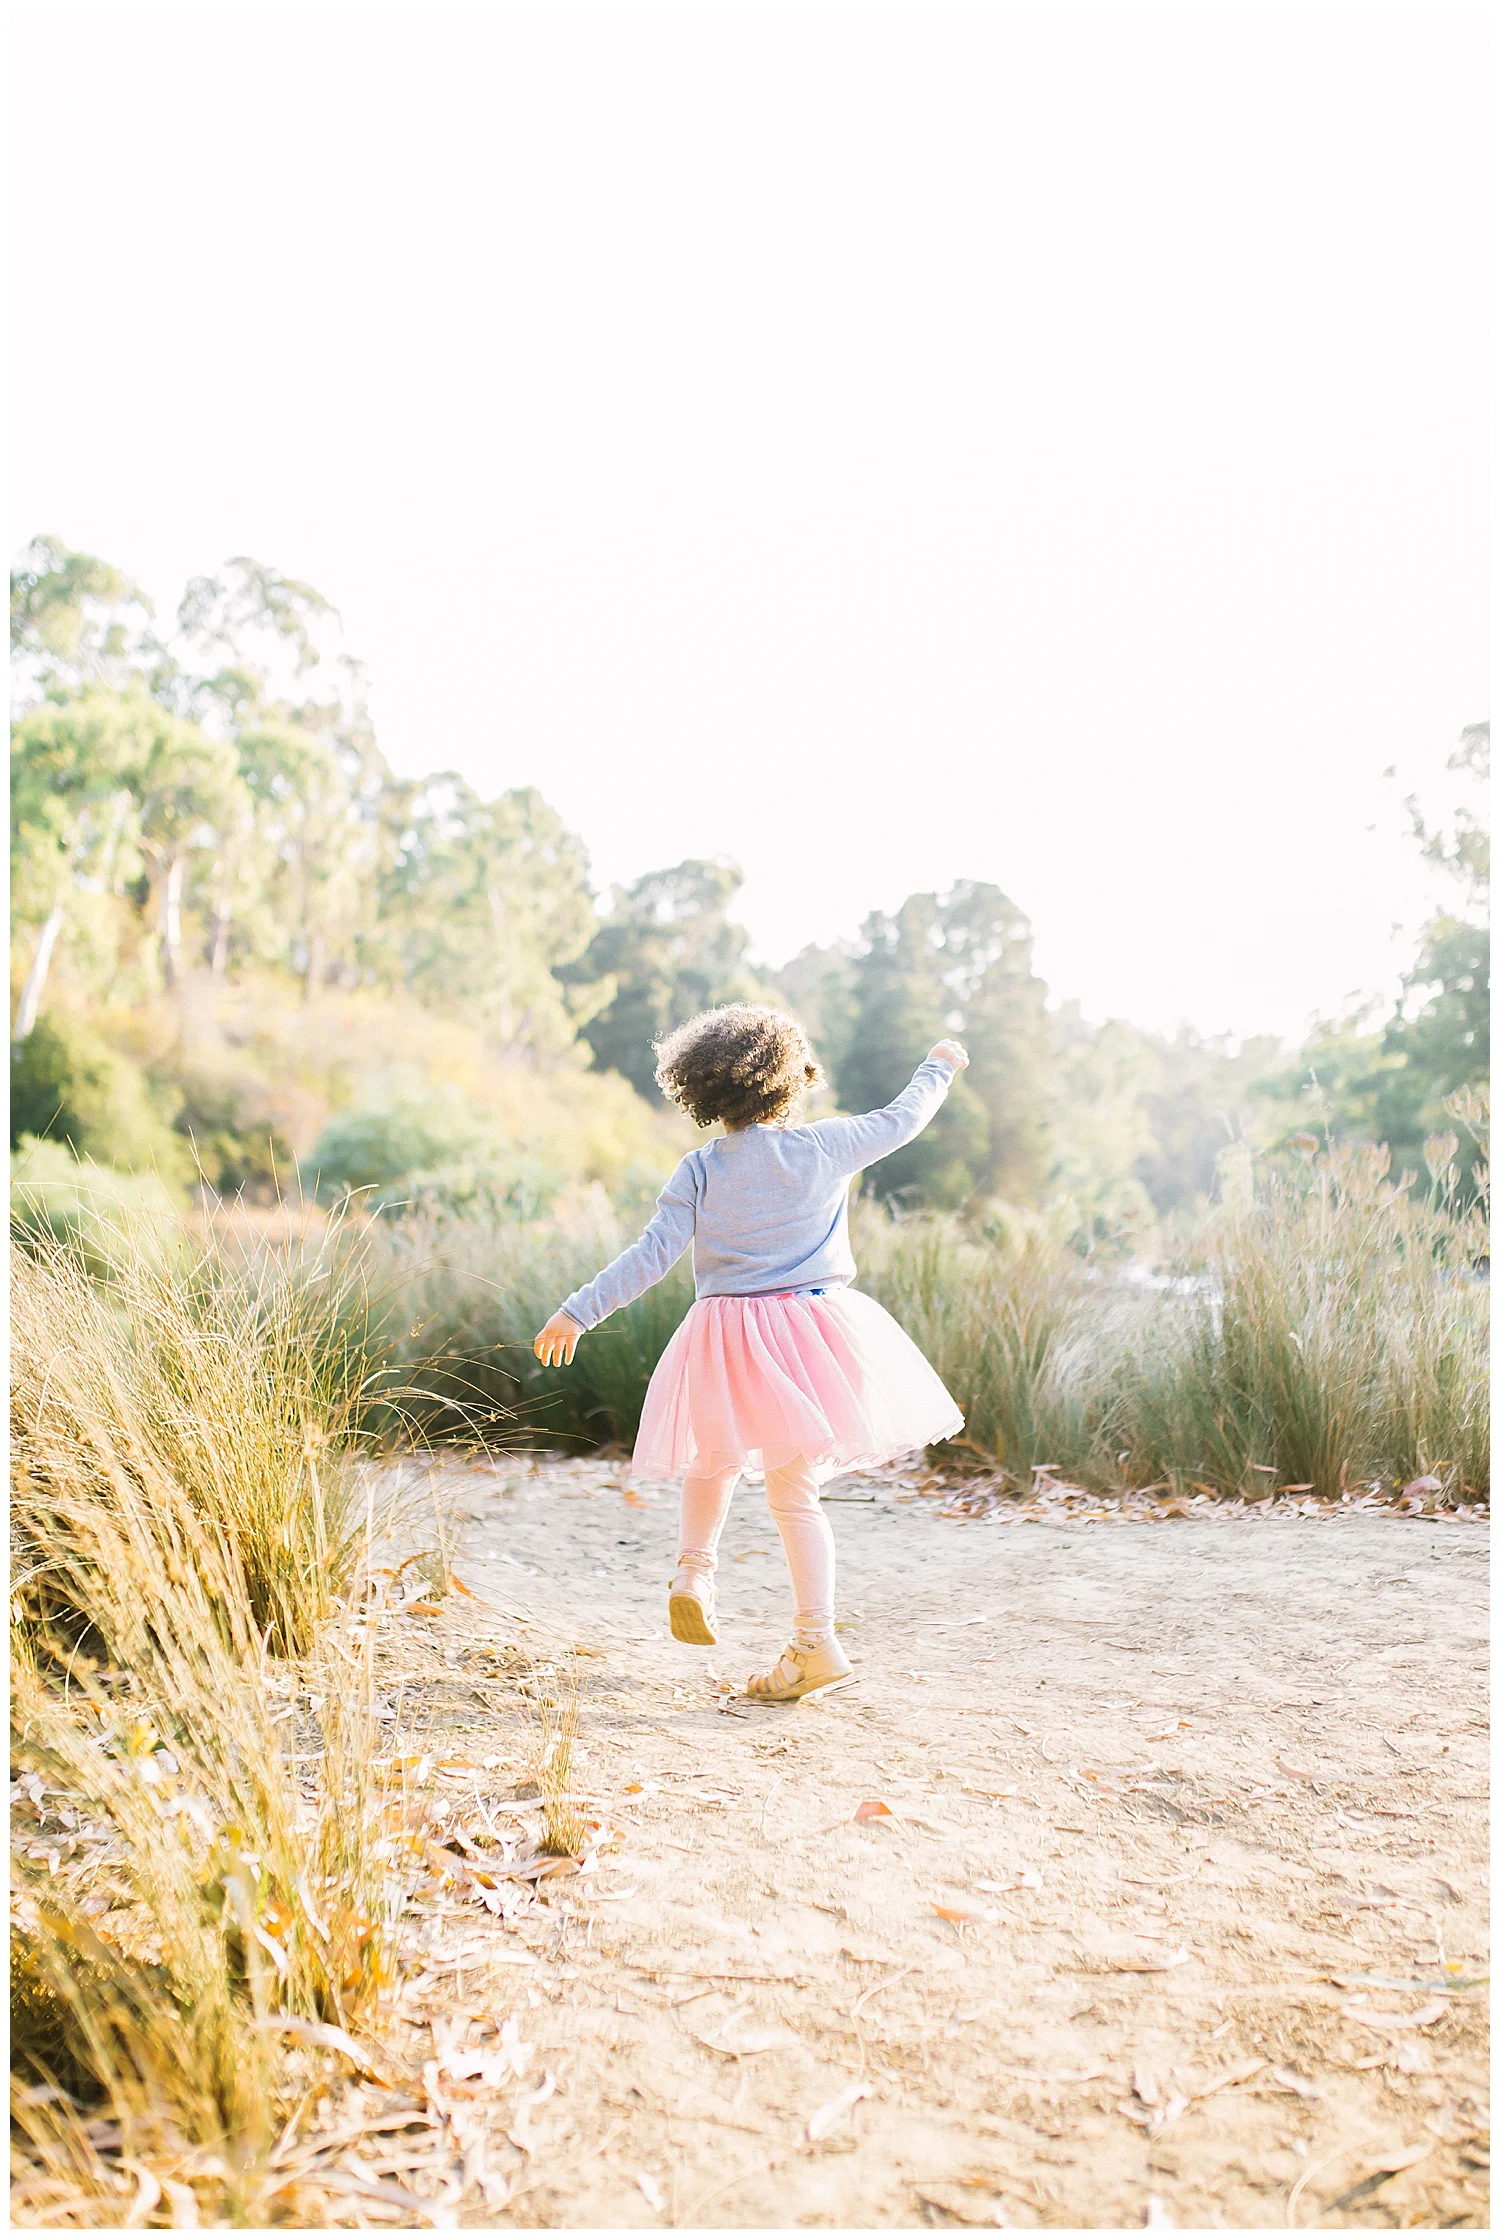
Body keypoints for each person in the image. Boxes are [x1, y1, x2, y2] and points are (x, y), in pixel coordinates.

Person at [533, 1004, 967, 1700]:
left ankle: (693, 1572)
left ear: (702, 1091)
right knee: (797, 1497)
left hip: (726, 1338)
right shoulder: (825, 1146)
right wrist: (938, 1066)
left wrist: (576, 1312)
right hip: (809, 1335)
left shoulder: (700, 1169)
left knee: (714, 1458)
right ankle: (814, 1639)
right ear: (790, 1080)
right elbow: (902, 1118)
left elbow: (649, 1258)